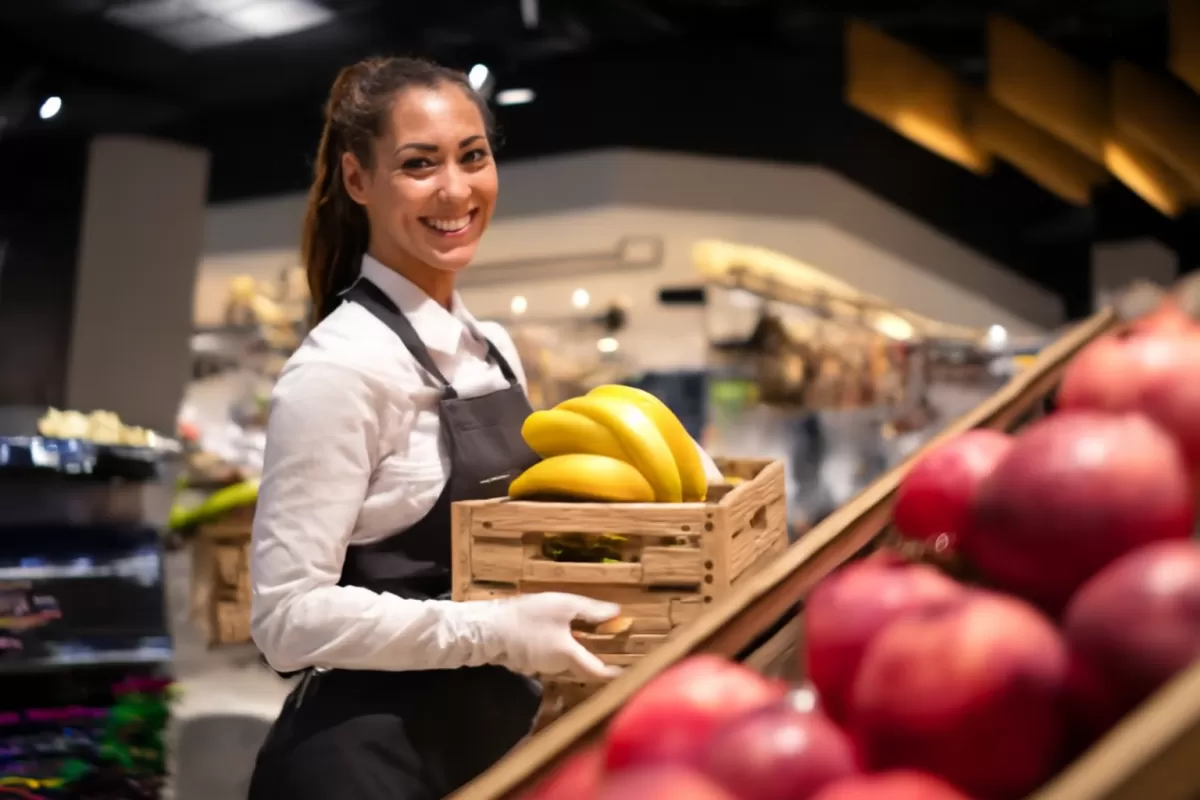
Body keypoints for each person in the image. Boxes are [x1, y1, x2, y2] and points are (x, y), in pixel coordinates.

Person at [244, 57, 638, 800]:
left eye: (473, 155)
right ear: (358, 180)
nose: (455, 190)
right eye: (419, 165)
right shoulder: (341, 369)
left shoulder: (491, 346)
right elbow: (286, 620)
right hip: (363, 765)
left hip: (489, 743)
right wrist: (494, 630)